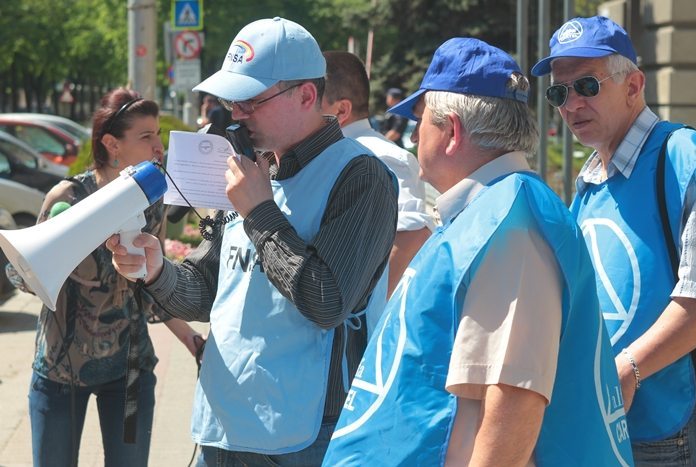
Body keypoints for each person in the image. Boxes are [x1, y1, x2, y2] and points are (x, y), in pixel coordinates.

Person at [323, 37, 633, 466]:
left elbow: (514, 400)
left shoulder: (511, 223)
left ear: (451, 131)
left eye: (420, 125)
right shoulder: (494, 212)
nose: (413, 141)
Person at [107, 17, 398, 466]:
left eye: (250, 100)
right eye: (231, 100)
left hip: (302, 437)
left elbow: (327, 301)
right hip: (224, 425)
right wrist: (157, 269)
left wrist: (259, 211)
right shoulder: (250, 170)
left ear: (306, 95)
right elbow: (208, 291)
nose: (235, 113)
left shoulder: (361, 176)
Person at [532, 15, 696, 464]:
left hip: (665, 429)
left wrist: (627, 371)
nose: (570, 105)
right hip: (598, 424)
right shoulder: (590, 181)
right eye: (558, 92)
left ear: (634, 85)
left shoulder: (685, 158)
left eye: (586, 86)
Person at [6, 87, 203, 467]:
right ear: (112, 144)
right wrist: (44, 256)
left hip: (129, 374)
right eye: (146, 137)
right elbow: (20, 270)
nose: (157, 146)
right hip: (61, 375)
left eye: (158, 134)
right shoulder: (68, 196)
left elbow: (152, 288)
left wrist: (193, 341)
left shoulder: (151, 201)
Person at [321, 50, 433, 301]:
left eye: (311, 102)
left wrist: (355, 316)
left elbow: (409, 237)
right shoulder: (332, 153)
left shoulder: (384, 157)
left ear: (341, 111)